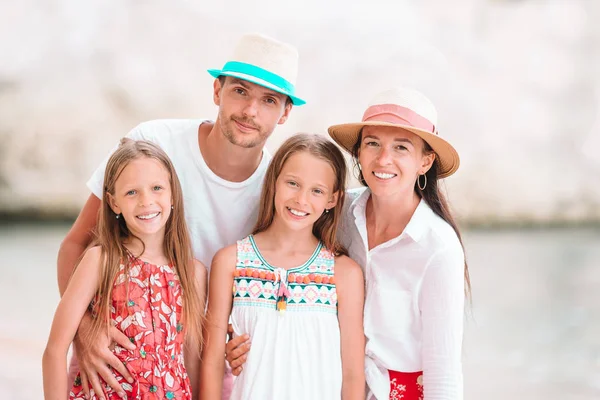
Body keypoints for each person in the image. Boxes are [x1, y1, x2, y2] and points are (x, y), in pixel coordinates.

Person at [56, 33, 305, 397]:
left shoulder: (276, 192)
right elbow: (76, 243)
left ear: (284, 112)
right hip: (113, 358)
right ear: (217, 91)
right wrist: (84, 330)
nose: (250, 111)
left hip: (204, 366)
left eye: (268, 100)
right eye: (240, 91)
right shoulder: (154, 141)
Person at [226, 88, 470, 400]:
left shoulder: (438, 248)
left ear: (425, 162)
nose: (383, 159)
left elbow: (444, 375)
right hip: (325, 385)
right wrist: (238, 338)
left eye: (401, 147)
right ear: (358, 152)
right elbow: (280, 273)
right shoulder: (338, 214)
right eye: (372, 144)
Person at [201, 134, 365, 400]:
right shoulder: (230, 262)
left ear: (333, 200)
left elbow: (353, 374)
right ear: (274, 181)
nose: (301, 199)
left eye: (317, 191)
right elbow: (211, 363)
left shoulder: (344, 273)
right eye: (292, 183)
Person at [43, 139, 206, 399]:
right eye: (132, 192)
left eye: (156, 188)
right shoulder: (101, 260)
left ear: (173, 193)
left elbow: (192, 360)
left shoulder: (193, 272)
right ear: (113, 202)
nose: (146, 201)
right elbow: (54, 350)